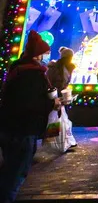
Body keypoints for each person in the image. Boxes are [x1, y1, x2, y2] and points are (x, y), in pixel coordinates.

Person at [0, 30, 58, 203]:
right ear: (38, 55)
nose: (46, 56)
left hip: (7, 126)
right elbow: (31, 104)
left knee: (9, 169)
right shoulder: (33, 75)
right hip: (24, 129)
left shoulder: (17, 68)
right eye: (44, 53)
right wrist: (52, 103)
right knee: (16, 173)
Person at [45, 46, 76, 150]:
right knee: (55, 118)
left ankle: (63, 141)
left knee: (61, 119)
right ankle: (53, 141)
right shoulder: (54, 68)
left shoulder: (68, 67)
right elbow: (49, 83)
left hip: (61, 96)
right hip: (54, 96)